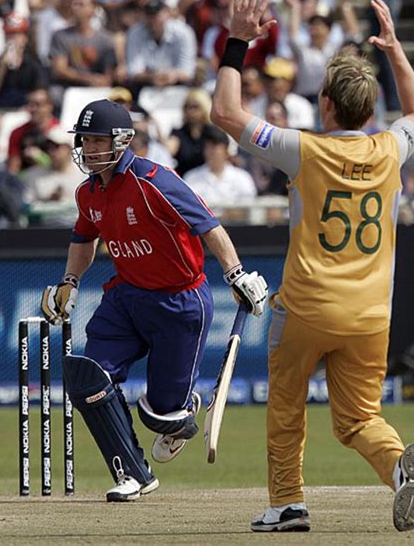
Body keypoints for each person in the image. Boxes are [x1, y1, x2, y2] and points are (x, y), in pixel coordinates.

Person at [210, 0, 414, 533]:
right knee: (359, 418)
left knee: (286, 405)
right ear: (371, 109)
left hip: (306, 309)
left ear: (325, 104)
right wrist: (395, 50)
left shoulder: (301, 148)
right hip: (371, 316)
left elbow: (224, 112)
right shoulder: (391, 148)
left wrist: (238, 41)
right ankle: (399, 467)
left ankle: (287, 503)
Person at [40, 98, 268, 502]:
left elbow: (209, 226)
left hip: (180, 302)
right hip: (126, 297)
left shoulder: (154, 181)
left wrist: (236, 274)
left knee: (160, 415)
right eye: (84, 140)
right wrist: (70, 281)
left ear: (123, 140)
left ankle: (180, 415)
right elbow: (83, 238)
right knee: (88, 376)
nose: (89, 149)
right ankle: (132, 473)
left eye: (97, 140)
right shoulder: (87, 193)